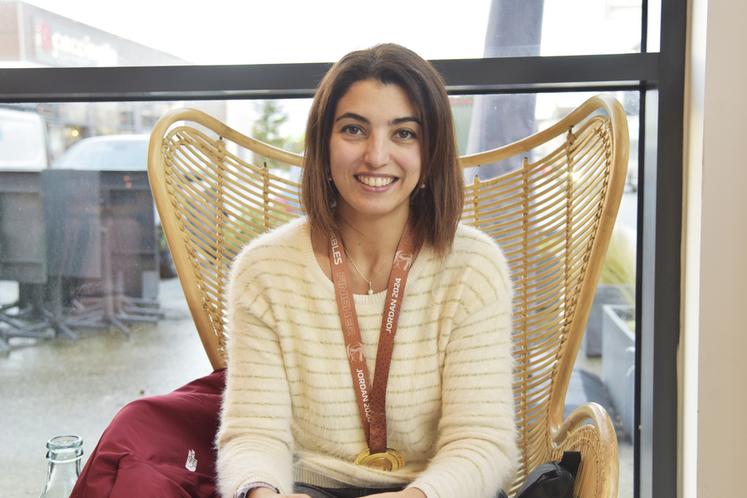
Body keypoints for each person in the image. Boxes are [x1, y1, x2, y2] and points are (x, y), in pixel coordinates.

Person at [216, 43, 517, 498]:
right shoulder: (264, 270)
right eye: (354, 129)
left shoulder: (473, 267)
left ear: (431, 151)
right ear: (323, 144)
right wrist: (262, 493)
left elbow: (483, 442)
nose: (376, 156)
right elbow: (254, 433)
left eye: (404, 133)